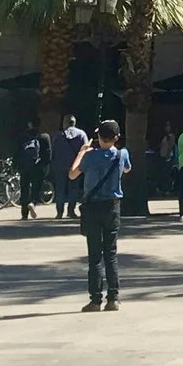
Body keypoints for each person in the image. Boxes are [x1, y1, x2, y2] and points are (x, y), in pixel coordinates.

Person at [70, 118, 130, 312]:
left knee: (94, 254)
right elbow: (128, 169)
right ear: (117, 137)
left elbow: (72, 174)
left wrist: (81, 153)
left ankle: (95, 299)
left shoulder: (90, 157)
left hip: (93, 207)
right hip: (113, 206)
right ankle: (113, 297)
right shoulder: (122, 154)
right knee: (111, 253)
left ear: (98, 136)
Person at [54, 114, 86, 218]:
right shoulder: (81, 134)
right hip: (75, 166)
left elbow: (53, 151)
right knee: (74, 189)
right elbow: (85, 149)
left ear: (65, 123)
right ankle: (71, 211)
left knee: (60, 189)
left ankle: (59, 212)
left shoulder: (58, 135)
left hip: (60, 166)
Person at [15, 129, 48, 222]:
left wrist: (16, 165)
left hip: (25, 167)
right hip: (38, 167)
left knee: (24, 188)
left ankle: (24, 214)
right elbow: (48, 152)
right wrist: (46, 166)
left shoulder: (22, 137)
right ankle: (33, 203)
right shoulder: (44, 137)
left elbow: (16, 151)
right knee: (36, 188)